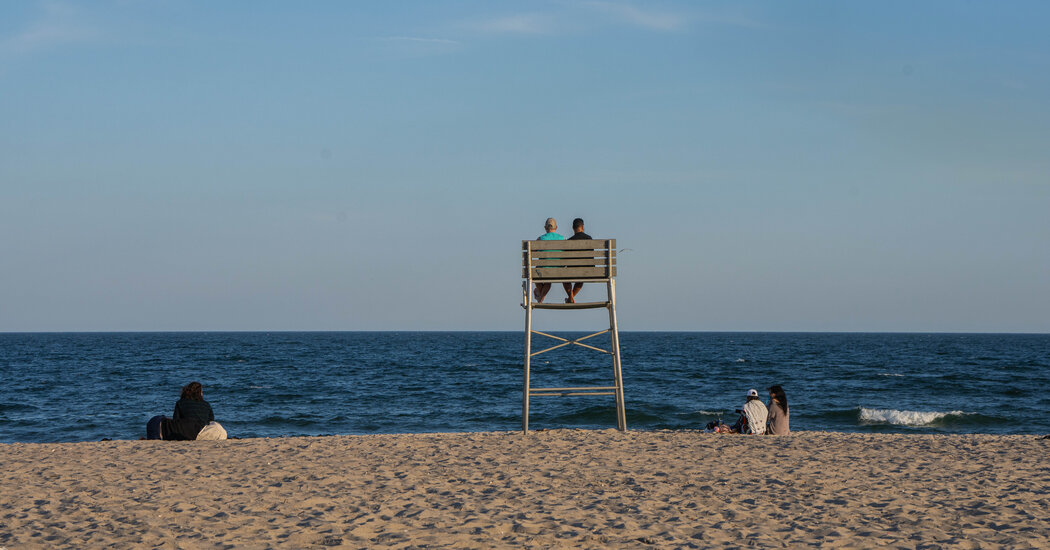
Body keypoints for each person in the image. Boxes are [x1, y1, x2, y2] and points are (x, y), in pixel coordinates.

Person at [145, 381, 215, 441]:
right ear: (200, 393)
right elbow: (211, 421)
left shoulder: (181, 402)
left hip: (184, 429)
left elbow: (176, 419)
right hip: (199, 430)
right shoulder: (206, 404)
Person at [532, 217, 564, 303]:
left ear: (545, 228)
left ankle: (540, 298)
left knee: (535, 275)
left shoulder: (541, 239)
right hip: (557, 269)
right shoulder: (562, 239)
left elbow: (531, 252)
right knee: (548, 280)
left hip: (543, 269)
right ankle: (540, 297)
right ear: (556, 227)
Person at [562, 217, 592, 303]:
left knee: (563, 278)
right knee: (581, 279)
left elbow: (565, 259)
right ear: (583, 227)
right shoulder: (589, 239)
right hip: (587, 271)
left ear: (573, 228)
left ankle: (570, 298)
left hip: (572, 270)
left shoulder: (569, 241)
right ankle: (570, 298)